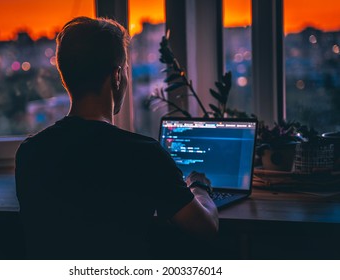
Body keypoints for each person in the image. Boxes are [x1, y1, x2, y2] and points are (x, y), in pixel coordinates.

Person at [15, 16, 218, 259]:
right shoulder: (143, 154)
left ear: (64, 76)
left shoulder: (30, 152)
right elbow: (205, 228)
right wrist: (199, 187)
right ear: (117, 76)